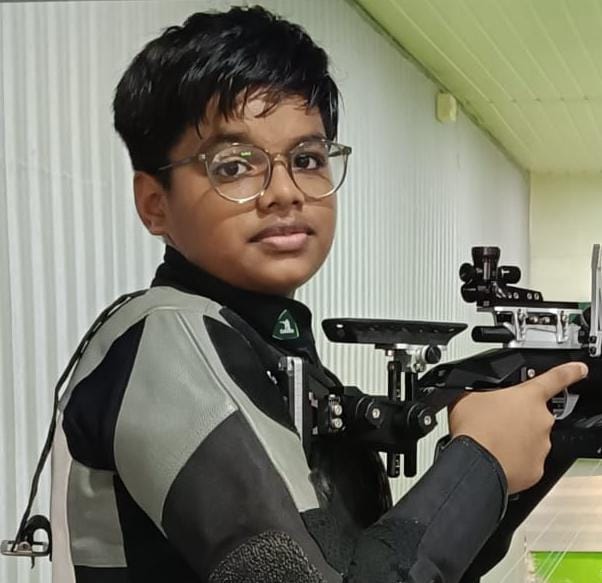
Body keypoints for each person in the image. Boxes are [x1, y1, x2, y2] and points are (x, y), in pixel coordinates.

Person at [50, 6, 588, 583]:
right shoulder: (164, 338)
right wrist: (479, 463)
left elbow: (397, 563)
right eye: (234, 166)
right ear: (154, 203)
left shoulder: (262, 344)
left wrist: (542, 439)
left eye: (307, 159)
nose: (284, 191)